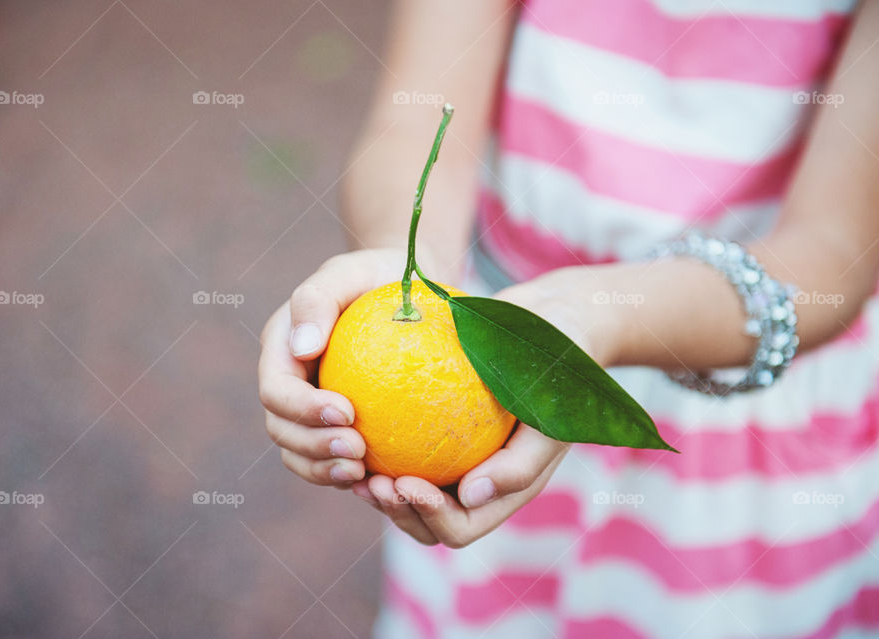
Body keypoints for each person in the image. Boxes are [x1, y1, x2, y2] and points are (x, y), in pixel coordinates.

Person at [258, 0, 879, 636]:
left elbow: (836, 252)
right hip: (496, 380)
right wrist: (401, 266)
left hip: (739, 417)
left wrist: (597, 314)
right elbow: (413, 122)